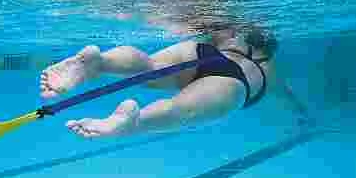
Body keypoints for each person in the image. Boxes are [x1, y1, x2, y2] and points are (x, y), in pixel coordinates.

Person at [40, 25, 309, 138]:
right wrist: (301, 114)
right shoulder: (268, 67)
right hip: (231, 82)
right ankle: (134, 122)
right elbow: (287, 97)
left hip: (201, 53)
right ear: (268, 49)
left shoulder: (228, 39)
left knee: (149, 66)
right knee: (178, 110)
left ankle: (101, 62)